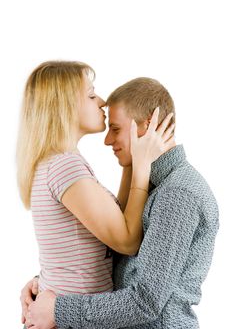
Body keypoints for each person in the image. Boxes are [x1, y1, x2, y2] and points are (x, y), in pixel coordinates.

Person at [22, 77, 219, 329]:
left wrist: (58, 310)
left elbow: (145, 301)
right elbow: (114, 257)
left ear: (149, 126)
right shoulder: (151, 184)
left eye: (115, 129)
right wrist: (47, 284)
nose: (107, 141)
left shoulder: (177, 194)